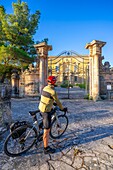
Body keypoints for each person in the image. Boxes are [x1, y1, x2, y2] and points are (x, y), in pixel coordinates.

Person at [38, 76, 67, 154]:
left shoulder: (44, 88)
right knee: (47, 131)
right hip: (46, 111)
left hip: (41, 107)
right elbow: (58, 102)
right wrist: (62, 108)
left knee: (46, 119)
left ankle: (40, 129)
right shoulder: (53, 91)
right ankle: (46, 148)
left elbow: (46, 97)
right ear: (54, 82)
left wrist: (51, 102)